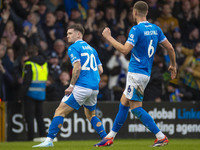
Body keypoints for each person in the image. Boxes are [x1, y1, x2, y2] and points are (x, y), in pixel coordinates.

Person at [94, 1, 176, 147]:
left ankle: (160, 136)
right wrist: (173, 65)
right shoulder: (156, 29)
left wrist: (108, 37)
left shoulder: (136, 29)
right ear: (147, 12)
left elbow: (125, 50)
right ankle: (110, 137)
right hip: (145, 73)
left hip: (136, 74)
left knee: (136, 108)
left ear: (134, 12)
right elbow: (170, 47)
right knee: (124, 103)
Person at [32, 24, 107, 147]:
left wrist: (71, 85)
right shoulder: (92, 49)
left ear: (79, 34)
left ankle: (49, 141)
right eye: (67, 34)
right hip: (94, 88)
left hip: (81, 87)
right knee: (91, 115)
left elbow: (77, 67)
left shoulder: (73, 48)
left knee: (60, 111)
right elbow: (101, 70)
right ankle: (105, 138)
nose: (67, 36)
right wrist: (90, 77)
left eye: (70, 33)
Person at [18, 45, 48, 140]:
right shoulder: (44, 64)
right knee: (40, 116)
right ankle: (43, 135)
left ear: (27, 54)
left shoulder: (29, 64)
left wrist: (20, 96)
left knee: (29, 117)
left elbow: (26, 82)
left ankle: (30, 138)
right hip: (41, 93)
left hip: (30, 94)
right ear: (37, 53)